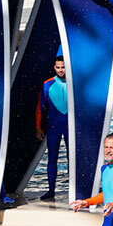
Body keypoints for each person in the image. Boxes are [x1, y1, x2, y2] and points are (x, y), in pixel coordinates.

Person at [36, 56, 69, 201]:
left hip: (70, 127)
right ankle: (51, 191)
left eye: (63, 67)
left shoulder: (74, 83)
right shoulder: (47, 84)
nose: (61, 70)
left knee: (72, 159)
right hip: (53, 126)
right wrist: (38, 127)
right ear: (54, 68)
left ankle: (74, 190)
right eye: (58, 67)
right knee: (52, 159)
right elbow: (39, 108)